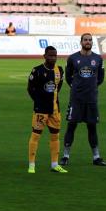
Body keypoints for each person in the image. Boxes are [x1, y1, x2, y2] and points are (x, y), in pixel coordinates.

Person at [60, 33, 106, 166]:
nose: (88, 42)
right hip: (76, 99)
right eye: (85, 40)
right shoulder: (73, 58)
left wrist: (91, 87)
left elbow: (101, 78)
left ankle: (96, 157)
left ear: (92, 42)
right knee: (71, 126)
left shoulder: (98, 59)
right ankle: (65, 156)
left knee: (92, 127)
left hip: (91, 99)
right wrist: (77, 87)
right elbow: (68, 77)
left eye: (90, 40)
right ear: (81, 42)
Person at [26, 46, 68, 174]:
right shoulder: (37, 70)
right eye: (50, 55)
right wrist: (38, 102)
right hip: (40, 110)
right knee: (36, 135)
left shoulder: (59, 70)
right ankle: (32, 164)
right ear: (44, 56)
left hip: (55, 110)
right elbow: (30, 88)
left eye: (55, 55)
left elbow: (58, 87)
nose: (53, 58)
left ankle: (54, 164)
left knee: (55, 136)